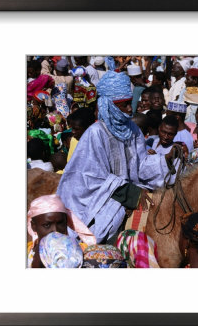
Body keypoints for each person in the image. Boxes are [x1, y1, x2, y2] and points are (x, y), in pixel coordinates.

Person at [57, 57, 180, 243]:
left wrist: (165, 160)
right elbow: (91, 179)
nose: (130, 110)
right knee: (104, 231)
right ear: (109, 104)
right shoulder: (95, 134)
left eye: (130, 102)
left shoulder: (133, 129)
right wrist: (131, 194)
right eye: (124, 104)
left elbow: (141, 165)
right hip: (98, 198)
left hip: (127, 190)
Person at [27, 194, 96, 268]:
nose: (55, 230)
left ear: (66, 221)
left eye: (60, 223)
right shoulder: (28, 253)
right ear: (33, 226)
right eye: (47, 225)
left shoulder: (82, 251)